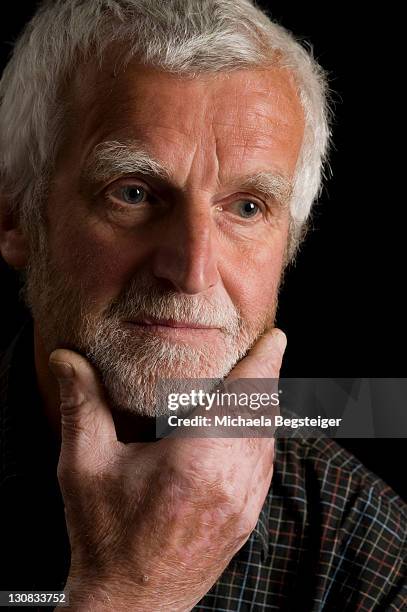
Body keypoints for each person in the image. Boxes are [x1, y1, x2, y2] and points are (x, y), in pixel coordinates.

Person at [0, 1, 405, 610]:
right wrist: (134, 591)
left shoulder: (360, 544)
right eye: (133, 193)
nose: (192, 272)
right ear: (15, 217)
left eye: (246, 207)